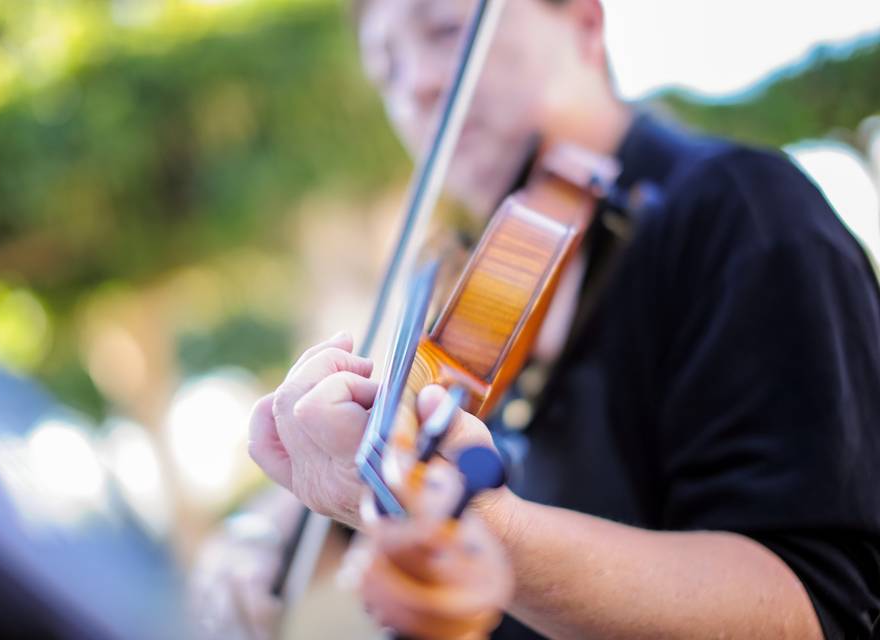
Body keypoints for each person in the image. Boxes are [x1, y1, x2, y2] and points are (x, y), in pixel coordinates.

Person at [243, 0, 880, 638]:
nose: (416, 86)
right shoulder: (482, 288)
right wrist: (265, 534)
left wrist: (490, 530)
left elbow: (815, 605)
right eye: (385, 69)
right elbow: (394, 468)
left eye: (444, 30)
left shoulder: (745, 217)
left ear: (585, 22)